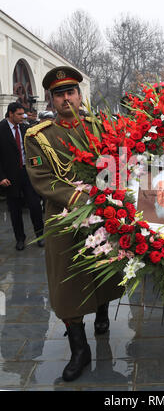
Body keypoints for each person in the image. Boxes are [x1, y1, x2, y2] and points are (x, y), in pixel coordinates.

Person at [24, 66, 123, 382]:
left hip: (105, 216)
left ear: (81, 96)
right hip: (64, 218)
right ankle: (80, 349)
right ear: (51, 101)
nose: (66, 98)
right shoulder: (40, 137)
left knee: (104, 271)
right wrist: (83, 201)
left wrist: (110, 197)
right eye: (59, 94)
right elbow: (42, 179)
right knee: (66, 281)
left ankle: (103, 312)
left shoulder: (100, 127)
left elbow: (117, 163)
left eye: (71, 92)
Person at [0, 102, 44, 251]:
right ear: (10, 114)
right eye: (19, 114)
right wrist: (1, 176)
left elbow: (33, 152)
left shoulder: (26, 129)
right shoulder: (1, 129)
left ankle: (40, 235)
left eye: (23, 114)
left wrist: (37, 169)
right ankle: (20, 239)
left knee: (35, 206)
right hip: (10, 177)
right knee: (15, 210)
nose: (22, 117)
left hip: (28, 174)